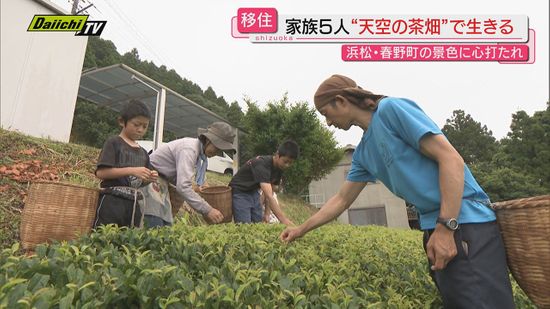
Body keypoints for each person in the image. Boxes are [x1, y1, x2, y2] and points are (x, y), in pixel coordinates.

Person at [280, 74, 515, 308]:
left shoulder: (390, 110)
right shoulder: (363, 153)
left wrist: (446, 227)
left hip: (464, 224)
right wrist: (301, 229)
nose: (328, 122)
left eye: (325, 113)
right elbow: (341, 199)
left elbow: (450, 159)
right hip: (435, 229)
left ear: (341, 101)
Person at [145, 121, 236, 227]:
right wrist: (208, 210)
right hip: (151, 176)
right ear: (207, 139)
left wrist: (198, 187)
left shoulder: (200, 156)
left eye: (220, 150)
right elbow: (183, 187)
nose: (216, 152)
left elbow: (186, 180)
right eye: (217, 147)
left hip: (163, 180)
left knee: (166, 224)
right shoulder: (189, 150)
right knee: (155, 222)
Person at [94, 100, 158, 228]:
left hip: (134, 204)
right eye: (136, 124)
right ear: (122, 121)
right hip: (112, 201)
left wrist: (150, 177)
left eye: (144, 126)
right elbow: (101, 173)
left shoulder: (143, 153)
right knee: (104, 238)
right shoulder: (114, 143)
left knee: (129, 242)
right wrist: (132, 170)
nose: (140, 130)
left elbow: (141, 180)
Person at [229, 140, 299, 225]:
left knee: (258, 223)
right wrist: (283, 220)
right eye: (285, 161)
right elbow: (269, 195)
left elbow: (271, 192)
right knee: (244, 225)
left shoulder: (279, 168)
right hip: (240, 192)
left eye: (290, 163)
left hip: (253, 192)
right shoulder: (262, 164)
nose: (287, 165)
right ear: (277, 155)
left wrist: (267, 213)